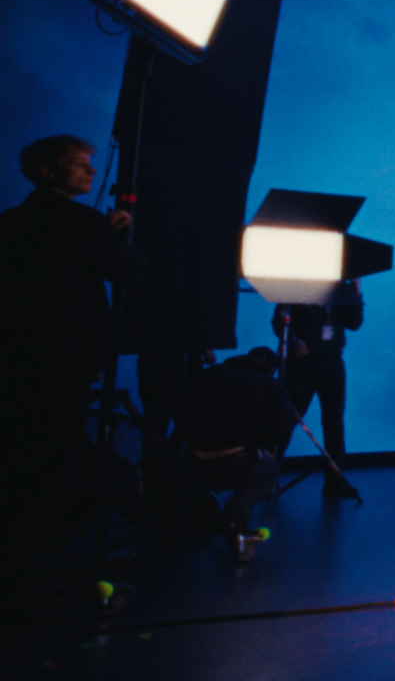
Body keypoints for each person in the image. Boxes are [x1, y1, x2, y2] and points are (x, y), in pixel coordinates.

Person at [0, 135, 145, 619]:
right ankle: (19, 588)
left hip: (18, 365)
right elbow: (127, 270)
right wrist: (118, 236)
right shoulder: (80, 222)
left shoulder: (11, 222)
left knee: (20, 472)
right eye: (80, 164)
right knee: (49, 480)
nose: (89, 172)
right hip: (62, 368)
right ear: (49, 171)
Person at [178, 347, 295, 562]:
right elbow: (280, 429)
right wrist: (258, 446)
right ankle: (236, 516)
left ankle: (196, 514)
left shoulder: (208, 374)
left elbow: (181, 413)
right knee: (269, 468)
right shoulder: (271, 384)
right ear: (272, 368)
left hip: (191, 462)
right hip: (234, 464)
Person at [271, 281, 363, 497]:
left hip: (333, 362)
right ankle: (267, 476)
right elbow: (278, 321)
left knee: (334, 422)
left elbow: (354, 323)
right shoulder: (298, 284)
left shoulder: (342, 289)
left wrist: (356, 291)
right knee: (288, 417)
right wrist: (290, 340)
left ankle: (335, 481)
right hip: (301, 364)